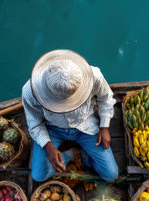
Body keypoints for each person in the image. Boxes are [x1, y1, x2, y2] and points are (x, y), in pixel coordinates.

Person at [21, 49, 118, 182]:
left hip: (85, 126)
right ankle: (70, 155)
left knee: (111, 174)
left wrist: (104, 126)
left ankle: (84, 157)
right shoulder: (30, 91)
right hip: (52, 129)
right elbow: (35, 124)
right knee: (38, 176)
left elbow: (106, 99)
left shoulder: (94, 76)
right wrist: (48, 147)